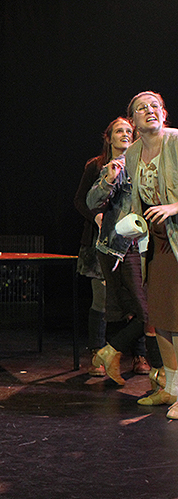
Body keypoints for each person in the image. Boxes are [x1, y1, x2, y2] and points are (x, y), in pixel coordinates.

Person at [87, 92, 178, 419]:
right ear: (134, 120)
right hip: (149, 242)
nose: (149, 110)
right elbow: (94, 201)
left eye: (154, 106)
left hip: (174, 236)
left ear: (163, 113)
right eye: (142, 108)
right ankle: (170, 388)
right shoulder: (133, 153)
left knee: (173, 317)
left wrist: (173, 206)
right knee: (160, 318)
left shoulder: (175, 142)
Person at [83, 118, 160, 384]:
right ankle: (152, 370)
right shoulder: (116, 166)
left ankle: (115, 353)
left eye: (129, 131)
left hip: (150, 246)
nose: (126, 134)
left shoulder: (150, 164)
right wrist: (108, 179)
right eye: (120, 131)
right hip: (122, 248)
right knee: (145, 313)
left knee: (148, 312)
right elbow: (89, 201)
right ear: (109, 137)